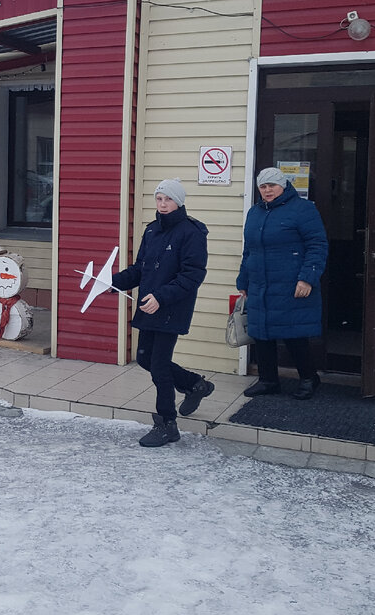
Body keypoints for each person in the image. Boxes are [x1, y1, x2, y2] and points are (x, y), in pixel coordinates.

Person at [111, 179, 213, 447]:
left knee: (158, 367)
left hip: (171, 308)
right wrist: (111, 282)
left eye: (168, 199)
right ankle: (195, 384)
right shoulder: (152, 231)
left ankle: (167, 425)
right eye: (159, 199)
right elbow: (140, 270)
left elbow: (192, 275)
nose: (163, 204)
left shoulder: (191, 233)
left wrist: (161, 297)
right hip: (150, 306)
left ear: (179, 201)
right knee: (145, 359)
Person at [236, 166, 329, 400]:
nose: (267, 191)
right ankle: (268, 380)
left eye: (272, 186)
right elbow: (249, 251)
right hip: (260, 283)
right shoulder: (254, 213)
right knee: (262, 333)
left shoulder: (303, 210)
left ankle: (309, 378)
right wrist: (243, 279)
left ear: (284, 185)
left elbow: (317, 246)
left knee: (294, 333)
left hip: (291, 283)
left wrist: (307, 278)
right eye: (263, 186)